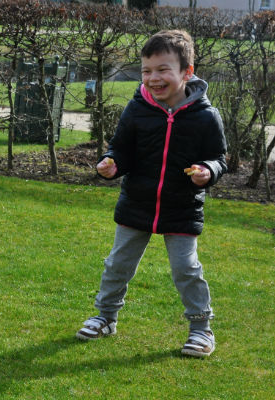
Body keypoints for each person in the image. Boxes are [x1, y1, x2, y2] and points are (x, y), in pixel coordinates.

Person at [76, 30, 227, 358]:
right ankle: (105, 317)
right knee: (117, 264)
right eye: (146, 71)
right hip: (136, 204)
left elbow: (220, 158)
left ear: (187, 72)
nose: (153, 78)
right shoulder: (136, 109)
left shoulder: (205, 116)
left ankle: (201, 329)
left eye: (162, 70)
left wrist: (208, 170)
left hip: (182, 208)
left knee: (186, 270)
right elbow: (122, 149)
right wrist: (111, 163)